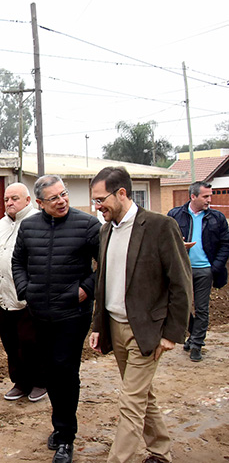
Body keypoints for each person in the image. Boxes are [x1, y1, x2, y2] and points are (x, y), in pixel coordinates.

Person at [89, 166, 192, 463]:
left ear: (121, 193)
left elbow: (181, 283)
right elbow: (103, 282)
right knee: (142, 396)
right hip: (116, 328)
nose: (97, 206)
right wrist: (98, 324)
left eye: (100, 199)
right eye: (94, 201)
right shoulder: (105, 230)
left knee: (130, 403)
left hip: (146, 331)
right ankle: (160, 453)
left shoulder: (160, 227)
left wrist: (173, 333)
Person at [12, 175, 100, 463]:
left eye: (64, 195)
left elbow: (107, 263)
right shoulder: (28, 226)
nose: (62, 201)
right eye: (54, 198)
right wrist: (27, 291)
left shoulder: (87, 225)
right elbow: (18, 262)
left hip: (72, 314)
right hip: (39, 312)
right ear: (39, 203)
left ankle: (65, 437)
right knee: (50, 372)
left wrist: (86, 289)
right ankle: (61, 425)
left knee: (64, 371)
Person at [0, 183, 46, 403]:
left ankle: (40, 382)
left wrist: (32, 290)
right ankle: (20, 383)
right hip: (3, 296)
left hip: (28, 299)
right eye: (6, 199)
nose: (9, 203)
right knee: (11, 343)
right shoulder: (1, 224)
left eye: (15, 198)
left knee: (31, 342)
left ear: (28, 200)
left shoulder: (37, 223)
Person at [168, 181, 229, 362]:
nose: (209, 200)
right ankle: (193, 333)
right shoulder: (174, 215)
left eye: (210, 196)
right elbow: (165, 240)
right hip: (182, 269)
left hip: (205, 270)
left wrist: (214, 268)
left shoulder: (217, 218)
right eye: (205, 196)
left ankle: (196, 344)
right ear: (193, 196)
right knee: (180, 306)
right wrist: (180, 244)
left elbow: (226, 244)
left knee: (202, 309)